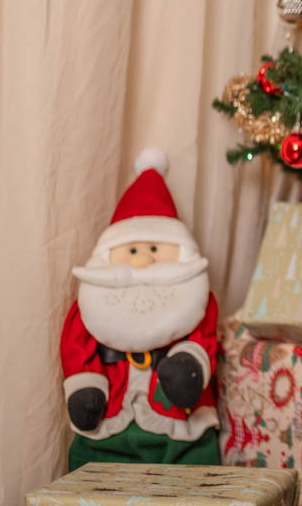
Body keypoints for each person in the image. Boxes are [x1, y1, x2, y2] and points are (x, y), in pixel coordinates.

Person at [60, 149, 221, 471]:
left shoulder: (194, 299)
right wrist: (86, 387)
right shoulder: (92, 304)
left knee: (194, 470)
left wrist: (189, 366)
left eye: (154, 250)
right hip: (110, 419)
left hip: (179, 423)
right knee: (90, 469)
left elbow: (206, 338)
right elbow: (76, 346)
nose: (143, 260)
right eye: (132, 250)